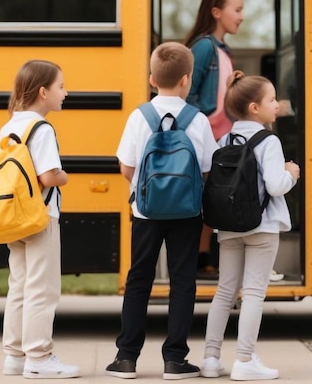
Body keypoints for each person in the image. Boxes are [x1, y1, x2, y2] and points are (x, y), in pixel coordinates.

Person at [105, 42, 218, 380]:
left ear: (152, 79)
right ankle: (175, 359)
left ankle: (126, 357)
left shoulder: (140, 117)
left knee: (139, 279)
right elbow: (208, 168)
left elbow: (126, 166)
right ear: (187, 80)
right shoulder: (197, 120)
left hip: (146, 212)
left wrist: (144, 185)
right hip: (187, 214)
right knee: (183, 281)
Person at [200, 70, 300, 381]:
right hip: (263, 225)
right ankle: (245, 359)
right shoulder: (269, 140)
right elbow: (274, 185)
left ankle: (211, 359)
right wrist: (292, 173)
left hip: (229, 227)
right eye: (271, 100)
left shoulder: (225, 139)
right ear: (254, 108)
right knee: (254, 293)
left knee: (224, 292)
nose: (277, 105)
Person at [0, 60, 80, 379]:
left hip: (13, 217)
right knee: (42, 288)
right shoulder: (41, 128)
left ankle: (14, 355)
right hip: (40, 216)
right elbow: (48, 175)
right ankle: (39, 357)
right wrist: (65, 176)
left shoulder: (9, 126)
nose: (66, 92)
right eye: (61, 87)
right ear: (43, 92)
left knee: (19, 285)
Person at [182, 0, 245, 279]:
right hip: (207, 136)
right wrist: (200, 130)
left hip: (220, 136)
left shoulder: (222, 50)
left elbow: (220, 96)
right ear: (216, 13)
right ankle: (197, 259)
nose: (241, 16)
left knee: (213, 200)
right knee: (206, 200)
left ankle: (205, 259)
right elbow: (188, 93)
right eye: (237, 9)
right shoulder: (204, 46)